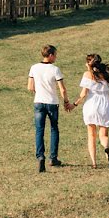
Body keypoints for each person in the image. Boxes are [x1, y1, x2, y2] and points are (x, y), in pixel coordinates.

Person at [68, 54, 109, 168]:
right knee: (103, 135)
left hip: (91, 106)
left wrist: (74, 104)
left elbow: (83, 94)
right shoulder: (106, 76)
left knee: (91, 135)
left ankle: (94, 163)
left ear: (89, 63)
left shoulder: (87, 75)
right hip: (105, 106)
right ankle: (106, 148)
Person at [27, 44, 71, 173]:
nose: (56, 57)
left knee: (39, 130)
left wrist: (39, 91)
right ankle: (53, 157)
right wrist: (66, 102)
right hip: (52, 102)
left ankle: (40, 156)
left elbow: (30, 87)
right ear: (50, 55)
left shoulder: (34, 68)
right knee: (54, 129)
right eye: (55, 55)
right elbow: (62, 89)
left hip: (39, 102)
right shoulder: (55, 69)